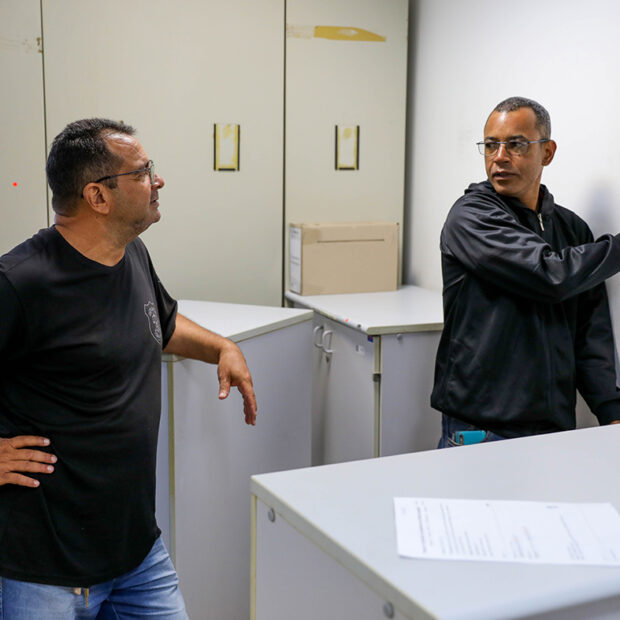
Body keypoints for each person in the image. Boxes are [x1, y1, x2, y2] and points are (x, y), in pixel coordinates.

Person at [0, 118, 258, 617]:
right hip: (44, 570)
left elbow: (160, 322)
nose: (157, 180)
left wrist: (221, 347)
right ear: (98, 196)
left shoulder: (130, 254)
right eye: (141, 172)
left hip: (137, 554)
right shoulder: (20, 283)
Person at [431, 96, 620, 449]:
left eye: (515, 144)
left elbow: (589, 333)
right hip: (482, 430)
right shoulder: (471, 217)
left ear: (547, 152)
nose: (500, 157)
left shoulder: (572, 229)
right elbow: (548, 274)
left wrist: (610, 409)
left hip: (552, 429)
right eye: (491, 145)